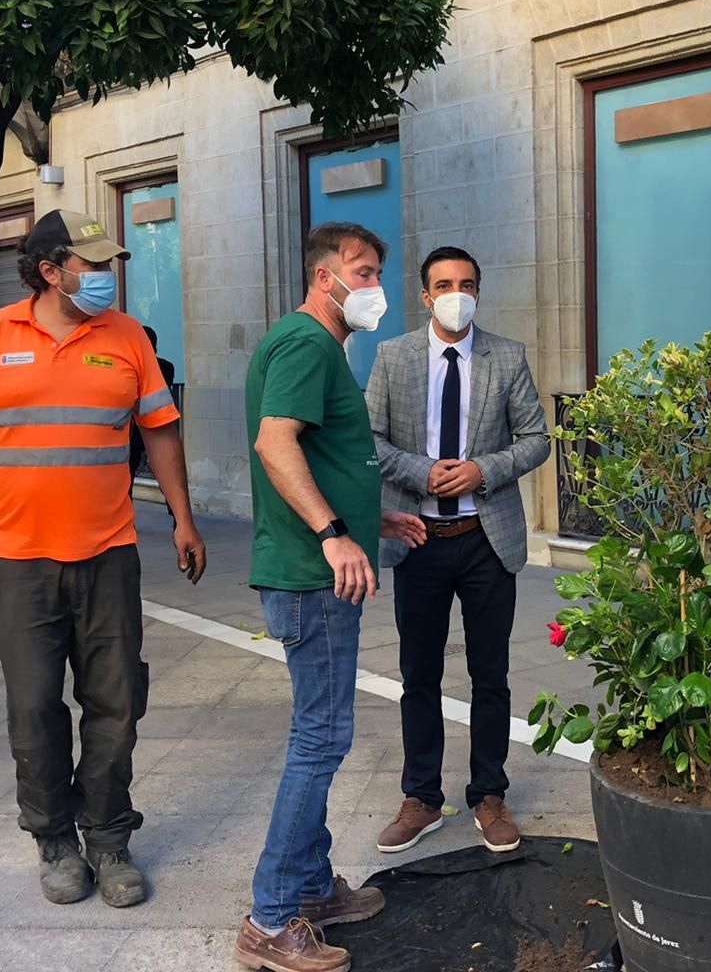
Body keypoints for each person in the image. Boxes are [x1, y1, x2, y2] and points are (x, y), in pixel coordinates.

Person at [0, 209, 207, 910]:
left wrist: (183, 519)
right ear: (51, 270)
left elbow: (161, 433)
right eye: (92, 264)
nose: (105, 276)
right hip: (17, 563)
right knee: (34, 706)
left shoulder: (128, 337)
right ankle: (53, 840)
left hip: (108, 555)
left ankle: (108, 839)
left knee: (115, 704)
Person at [233, 221, 427, 972]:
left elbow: (311, 455)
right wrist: (333, 535)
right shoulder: (307, 344)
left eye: (379, 271)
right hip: (311, 578)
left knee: (323, 735)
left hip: (316, 567)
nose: (375, 285)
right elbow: (274, 444)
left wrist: (365, 518)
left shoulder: (317, 347)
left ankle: (311, 887)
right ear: (326, 277)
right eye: (364, 270)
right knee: (320, 740)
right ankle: (272, 916)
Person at [366, 246, 549, 855]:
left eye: (467, 283)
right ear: (424, 295)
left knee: (489, 674)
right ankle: (420, 797)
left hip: (484, 540)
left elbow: (534, 440)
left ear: (479, 291)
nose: (456, 293)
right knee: (418, 674)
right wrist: (420, 472)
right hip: (418, 539)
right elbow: (370, 439)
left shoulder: (508, 356)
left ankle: (489, 794)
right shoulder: (392, 357)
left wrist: (482, 471)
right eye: (444, 284)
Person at [129, 325, 178, 488]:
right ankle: (175, 511)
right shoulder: (167, 366)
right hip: (159, 426)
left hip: (142, 426)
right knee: (168, 474)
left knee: (130, 470)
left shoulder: (147, 367)